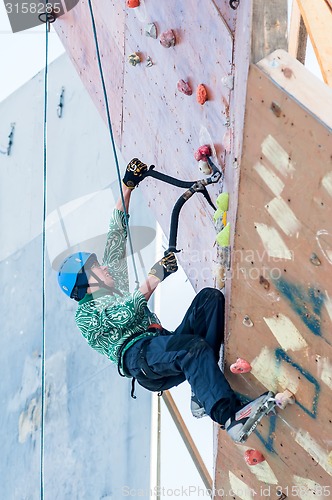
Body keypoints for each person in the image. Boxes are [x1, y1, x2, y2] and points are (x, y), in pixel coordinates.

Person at [58, 158, 272, 443]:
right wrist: (157, 274)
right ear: (87, 284)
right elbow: (126, 314)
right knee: (192, 349)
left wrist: (128, 186)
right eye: (96, 268)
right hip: (141, 359)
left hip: (161, 342)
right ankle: (228, 417)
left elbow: (117, 233)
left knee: (210, 300)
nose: (105, 267)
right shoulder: (86, 317)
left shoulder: (110, 284)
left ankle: (201, 391)